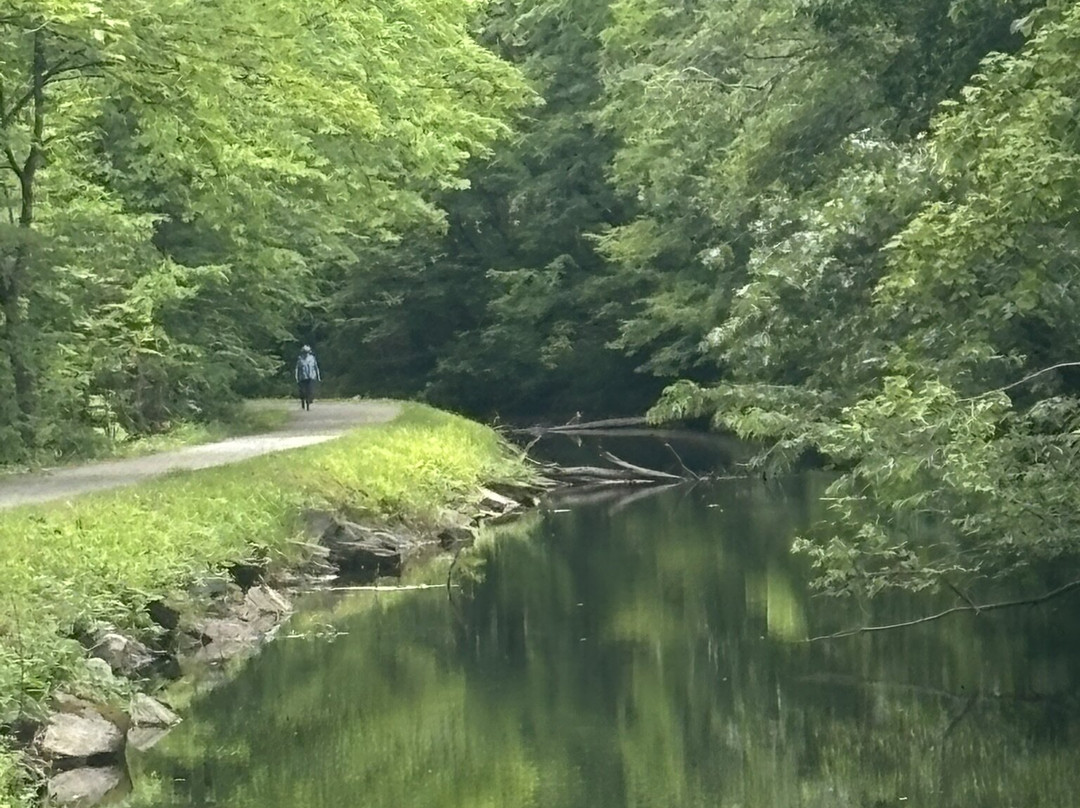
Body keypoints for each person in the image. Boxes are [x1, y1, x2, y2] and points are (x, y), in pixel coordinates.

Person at [295, 345, 321, 410]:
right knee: (302, 391)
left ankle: (309, 400)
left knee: (310, 390)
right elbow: (297, 369)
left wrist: (318, 376)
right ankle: (303, 401)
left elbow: (316, 367)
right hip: (302, 377)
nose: (306, 353)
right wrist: (296, 377)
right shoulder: (300, 359)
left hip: (311, 376)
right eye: (304, 352)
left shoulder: (312, 358)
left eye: (307, 352)